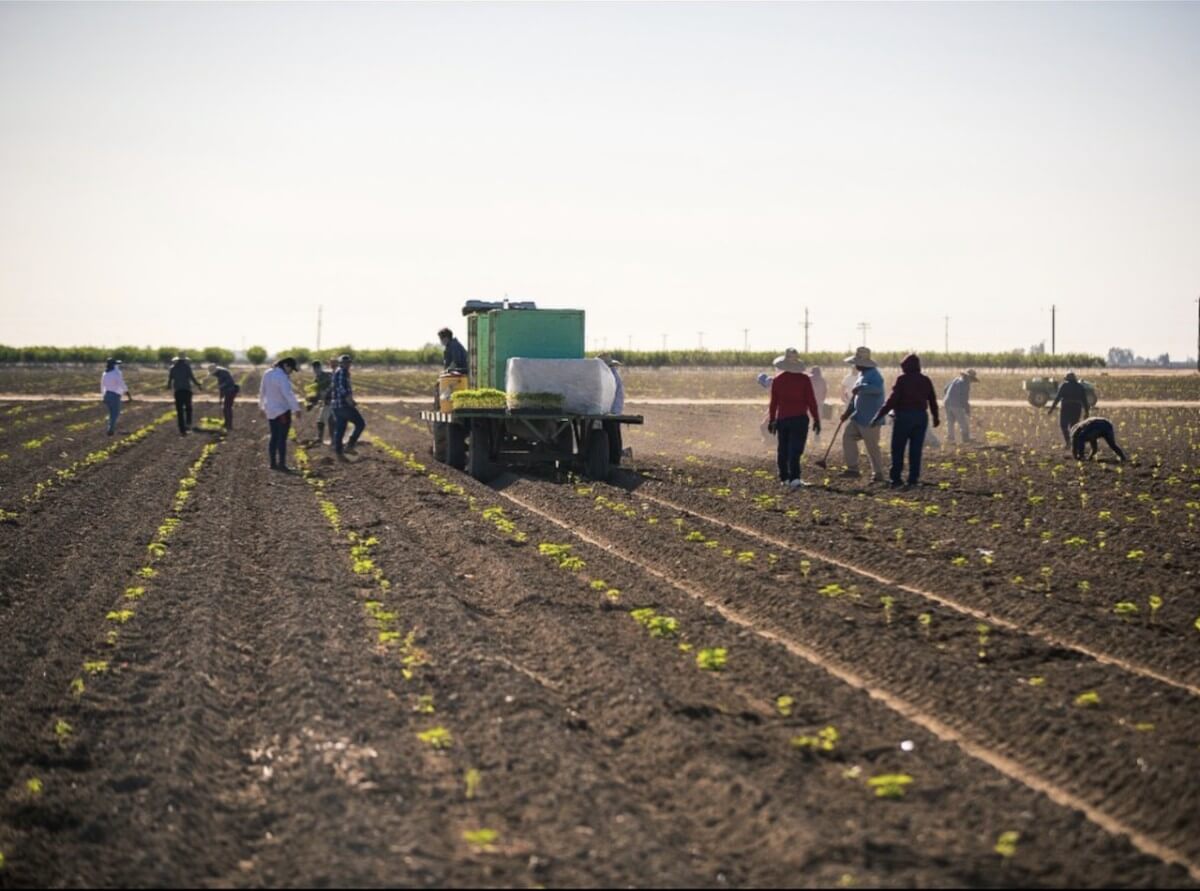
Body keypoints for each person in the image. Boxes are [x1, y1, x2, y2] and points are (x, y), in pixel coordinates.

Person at [872, 353, 940, 489]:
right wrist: (935, 417)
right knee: (916, 450)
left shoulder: (902, 380)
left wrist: (879, 415)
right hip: (921, 417)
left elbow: (892, 400)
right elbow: (932, 400)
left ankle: (896, 479)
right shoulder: (925, 380)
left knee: (898, 448)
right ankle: (913, 479)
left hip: (903, 417)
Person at [767, 348, 821, 488]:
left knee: (783, 448)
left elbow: (774, 402)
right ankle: (795, 478)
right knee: (795, 449)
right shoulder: (804, 379)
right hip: (799, 419)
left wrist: (772, 419)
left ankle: (784, 478)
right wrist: (816, 419)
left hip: (783, 419)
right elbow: (811, 401)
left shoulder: (778, 380)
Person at [839, 347, 886, 482]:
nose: (855, 365)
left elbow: (877, 390)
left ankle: (878, 474)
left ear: (863, 364)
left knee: (872, 447)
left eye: (856, 363)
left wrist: (862, 387)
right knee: (848, 437)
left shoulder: (875, 375)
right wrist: (847, 413)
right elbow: (855, 398)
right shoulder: (861, 375)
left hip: (871, 419)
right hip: (858, 417)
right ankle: (853, 469)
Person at [259, 357, 302, 471]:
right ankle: (282, 464)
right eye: (291, 369)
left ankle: (273, 463)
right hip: (282, 411)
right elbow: (288, 394)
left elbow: (262, 390)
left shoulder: (267, 373)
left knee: (274, 436)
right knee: (282, 438)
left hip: (270, 410)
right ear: (286, 365)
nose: (291, 372)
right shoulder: (282, 377)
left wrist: (261, 407)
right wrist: (296, 409)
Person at [331, 353, 366, 458]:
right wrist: (349, 399)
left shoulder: (338, 372)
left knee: (340, 428)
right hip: (344, 405)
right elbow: (341, 388)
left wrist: (351, 399)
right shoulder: (342, 372)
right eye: (345, 363)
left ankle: (338, 452)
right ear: (341, 364)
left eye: (348, 363)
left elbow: (337, 387)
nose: (347, 365)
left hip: (337, 406)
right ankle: (350, 446)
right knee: (360, 424)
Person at [1047, 371, 1090, 449]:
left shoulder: (1064, 385)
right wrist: (1086, 412)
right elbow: (1084, 400)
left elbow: (1058, 398)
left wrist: (1051, 409)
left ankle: (1068, 443)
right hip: (1077, 408)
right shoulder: (1080, 386)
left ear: (1066, 379)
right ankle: (1074, 443)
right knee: (1073, 426)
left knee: (1063, 425)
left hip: (1066, 407)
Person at [599, 354, 626, 465]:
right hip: (612, 409)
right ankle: (613, 458)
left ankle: (614, 459)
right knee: (613, 432)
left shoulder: (611, 376)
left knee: (613, 433)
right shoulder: (612, 374)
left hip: (612, 409)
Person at [166, 354, 202, 436]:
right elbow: (192, 377)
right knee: (188, 407)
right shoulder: (187, 367)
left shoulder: (172, 368)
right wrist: (198, 385)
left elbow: (170, 379)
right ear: (184, 360)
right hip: (186, 390)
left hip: (178, 391)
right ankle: (188, 424)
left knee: (179, 410)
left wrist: (168, 386)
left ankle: (182, 428)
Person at [943, 369, 978, 444]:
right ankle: (966, 438)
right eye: (971, 379)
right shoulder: (965, 384)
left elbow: (945, 389)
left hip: (947, 402)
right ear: (968, 377)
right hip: (956, 404)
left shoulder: (955, 379)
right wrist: (967, 410)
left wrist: (950, 396)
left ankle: (950, 439)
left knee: (950, 421)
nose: (971, 381)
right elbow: (964, 399)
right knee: (963, 421)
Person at [99, 358, 133, 436]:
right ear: (114, 365)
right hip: (114, 395)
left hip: (107, 394)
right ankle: (110, 430)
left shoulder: (105, 373)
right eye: (116, 364)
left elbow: (102, 386)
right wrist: (128, 394)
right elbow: (122, 384)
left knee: (111, 413)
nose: (118, 366)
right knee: (115, 414)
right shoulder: (116, 374)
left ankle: (110, 428)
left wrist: (103, 396)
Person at [306, 359, 334, 445]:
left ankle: (328, 439)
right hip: (326, 402)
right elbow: (317, 394)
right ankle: (324, 438)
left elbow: (333, 384)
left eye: (317, 367)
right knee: (325, 420)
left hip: (332, 401)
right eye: (314, 368)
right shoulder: (316, 380)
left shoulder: (327, 375)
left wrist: (326, 391)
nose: (316, 369)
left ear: (320, 367)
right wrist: (312, 403)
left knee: (325, 420)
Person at [208, 363, 240, 432]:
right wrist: (220, 398)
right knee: (225, 408)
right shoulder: (219, 373)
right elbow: (221, 388)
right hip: (227, 391)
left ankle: (229, 425)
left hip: (231, 391)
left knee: (227, 408)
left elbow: (229, 382)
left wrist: (221, 387)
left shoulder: (223, 372)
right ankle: (226, 423)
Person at [809, 366, 828, 439]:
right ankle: (817, 435)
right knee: (817, 419)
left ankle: (808, 433)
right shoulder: (822, 380)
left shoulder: (809, 379)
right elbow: (825, 391)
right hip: (818, 402)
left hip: (810, 402)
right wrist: (822, 399)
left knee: (807, 418)